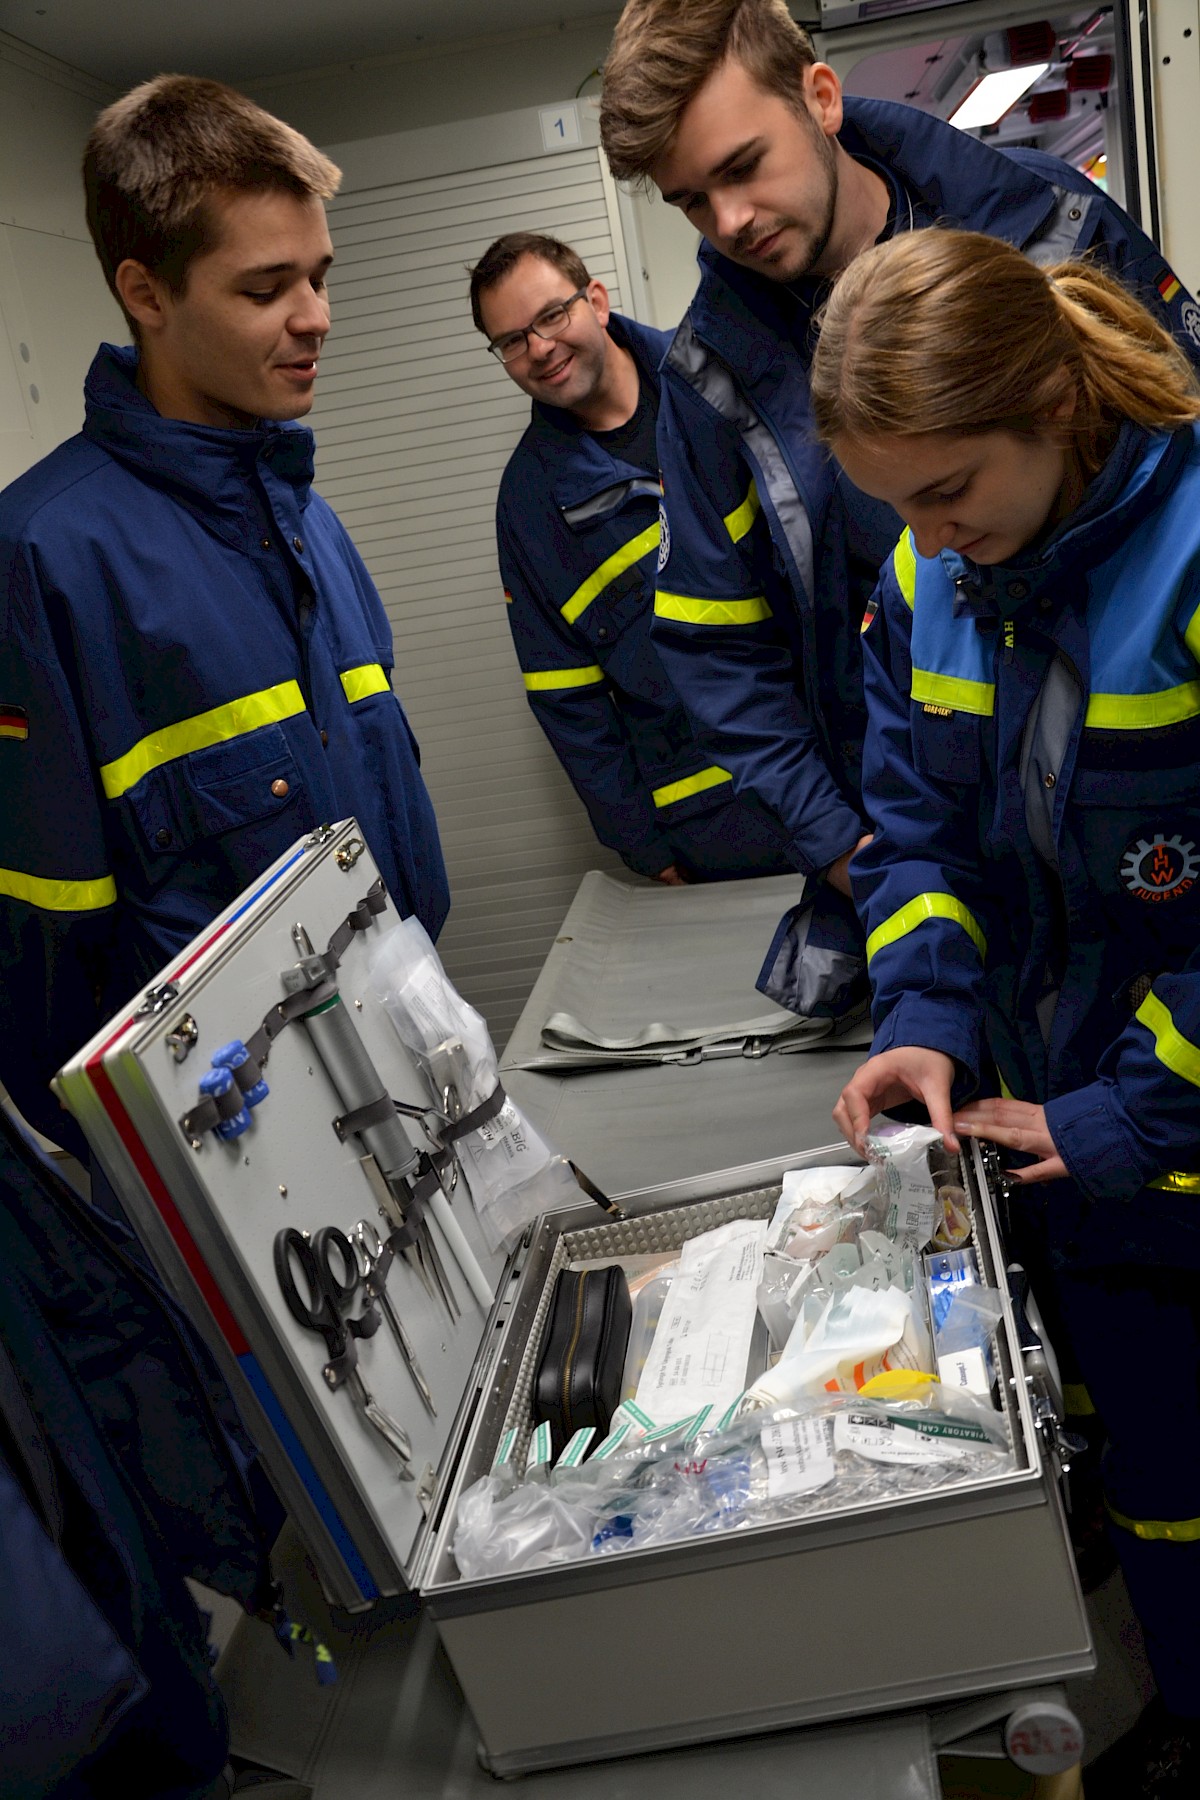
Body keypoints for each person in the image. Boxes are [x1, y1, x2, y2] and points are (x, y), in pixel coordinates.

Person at [811, 226, 1200, 1796]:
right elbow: (917, 835)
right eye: (895, 504)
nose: (928, 537)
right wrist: (928, 1014)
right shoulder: (933, 568)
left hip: (1148, 1122)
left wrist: (1134, 1114)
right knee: (1157, 1469)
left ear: (1052, 407)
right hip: (1054, 1131)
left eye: (948, 489)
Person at [599, 0, 1200, 956]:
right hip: (925, 849)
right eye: (688, 203)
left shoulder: (1052, 222)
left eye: (742, 168)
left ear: (821, 99)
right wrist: (847, 847)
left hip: (1141, 807)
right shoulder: (710, 373)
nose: (728, 223)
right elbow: (715, 648)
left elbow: (1179, 443)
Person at [0, 76, 447, 1155]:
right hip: (236, 1164)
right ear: (146, 293)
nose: (316, 318)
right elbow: (45, 966)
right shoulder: (45, 558)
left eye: (320, 276)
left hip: (405, 1089)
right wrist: (163, 1139)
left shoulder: (310, 526)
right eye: (266, 289)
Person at [470, 230, 791, 884]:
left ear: (596, 299)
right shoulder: (530, 510)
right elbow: (568, 702)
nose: (538, 348)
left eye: (551, 315)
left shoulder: (716, 378)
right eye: (511, 341)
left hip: (839, 757)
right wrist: (645, 848)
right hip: (716, 825)